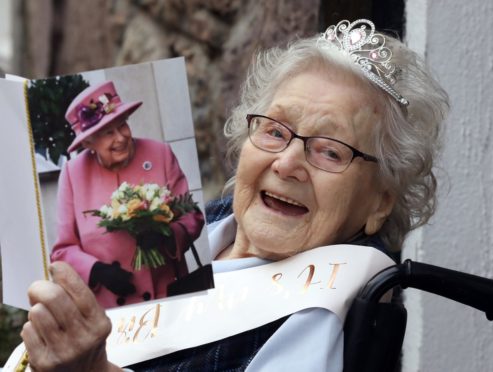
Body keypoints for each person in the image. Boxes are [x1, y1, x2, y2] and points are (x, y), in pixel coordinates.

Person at [20, 19, 448, 371]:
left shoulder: (326, 312)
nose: (286, 163)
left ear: (379, 203)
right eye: (275, 131)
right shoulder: (219, 222)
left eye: (330, 151)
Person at [49, 80, 206, 309]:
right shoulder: (73, 174)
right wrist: (97, 271)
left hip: (168, 295)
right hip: (113, 309)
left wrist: (168, 235)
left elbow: (192, 215)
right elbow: (63, 250)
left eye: (122, 125)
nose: (120, 137)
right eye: (107, 132)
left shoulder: (159, 153)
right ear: (89, 142)